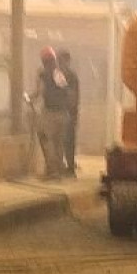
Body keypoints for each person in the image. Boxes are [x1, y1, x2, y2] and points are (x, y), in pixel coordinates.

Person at [32, 47, 73, 179]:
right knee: (58, 142)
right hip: (63, 113)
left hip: (50, 113)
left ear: (43, 60)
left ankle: (52, 171)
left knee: (45, 139)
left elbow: (40, 91)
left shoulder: (43, 73)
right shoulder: (58, 73)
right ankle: (59, 170)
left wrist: (30, 97)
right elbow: (66, 92)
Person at [56, 50, 81, 177]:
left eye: (62, 60)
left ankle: (70, 168)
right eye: (58, 61)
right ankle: (61, 166)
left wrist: (70, 114)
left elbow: (72, 96)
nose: (59, 63)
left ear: (67, 61)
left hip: (69, 114)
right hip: (60, 113)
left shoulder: (71, 76)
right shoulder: (58, 75)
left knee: (69, 141)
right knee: (59, 141)